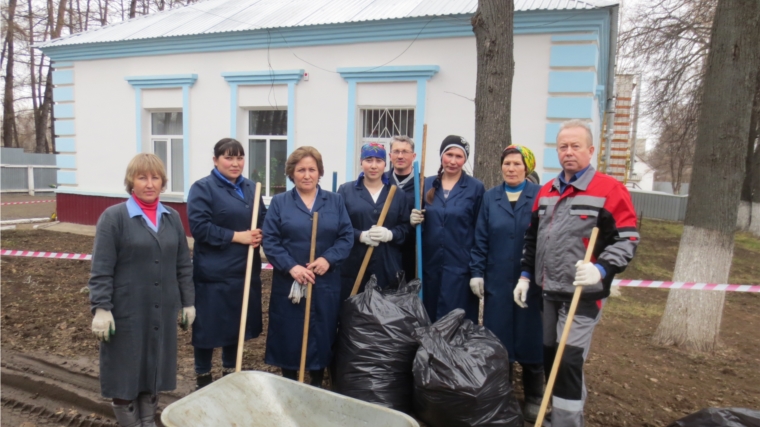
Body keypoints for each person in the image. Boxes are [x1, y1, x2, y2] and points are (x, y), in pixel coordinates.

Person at [518, 120, 639, 427]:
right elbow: (533, 238)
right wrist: (524, 275)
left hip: (583, 296)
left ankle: (566, 423)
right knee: (550, 358)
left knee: (568, 360)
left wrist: (601, 268)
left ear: (590, 150)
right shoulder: (546, 191)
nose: (568, 152)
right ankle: (556, 415)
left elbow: (627, 238)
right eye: (563, 147)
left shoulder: (610, 190)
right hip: (549, 291)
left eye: (575, 146)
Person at [89, 153, 194, 427]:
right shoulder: (114, 218)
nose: (149, 183)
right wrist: (101, 308)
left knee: (153, 371)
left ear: (163, 182)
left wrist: (188, 302)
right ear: (131, 182)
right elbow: (101, 269)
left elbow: (183, 264)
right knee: (124, 377)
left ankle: (148, 423)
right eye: (142, 177)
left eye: (155, 177)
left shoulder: (172, 218)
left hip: (160, 312)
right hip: (126, 313)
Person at [262, 146, 353, 387]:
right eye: (300, 169)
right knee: (289, 332)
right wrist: (291, 267)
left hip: (325, 283)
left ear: (319, 172)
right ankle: (290, 382)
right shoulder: (281, 203)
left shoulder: (334, 201)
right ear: (291, 173)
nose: (306, 175)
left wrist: (328, 259)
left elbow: (346, 237)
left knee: (321, 332)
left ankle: (315, 381)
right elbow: (270, 240)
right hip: (291, 283)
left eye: (312, 169)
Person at [469, 144, 544, 422]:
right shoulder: (491, 198)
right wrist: (477, 271)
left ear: (527, 168)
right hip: (497, 279)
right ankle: (503, 393)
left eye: (517, 164)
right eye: (507, 164)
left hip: (530, 280)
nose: (511, 169)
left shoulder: (539, 195)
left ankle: (535, 394)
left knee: (530, 333)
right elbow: (481, 238)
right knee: (498, 336)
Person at [186, 138, 267, 389]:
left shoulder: (252, 188)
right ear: (215, 160)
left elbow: (262, 218)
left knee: (236, 325)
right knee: (208, 329)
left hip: (244, 271)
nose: (235, 163)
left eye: (239, 158)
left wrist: (261, 233)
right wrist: (237, 236)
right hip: (214, 272)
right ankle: (203, 377)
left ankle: (229, 375)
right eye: (228, 158)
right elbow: (200, 228)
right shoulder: (203, 188)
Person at [410, 135, 485, 322]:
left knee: (456, 321)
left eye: (459, 156)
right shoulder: (424, 184)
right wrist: (413, 221)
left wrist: (477, 272)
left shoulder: (475, 188)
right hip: (429, 268)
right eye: (448, 154)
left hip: (460, 268)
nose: (452, 161)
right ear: (441, 155)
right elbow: (416, 229)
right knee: (428, 318)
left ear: (465, 159)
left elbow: (480, 231)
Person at [338, 142, 410, 300]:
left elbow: (405, 229)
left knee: (383, 319)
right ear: (361, 162)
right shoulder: (346, 191)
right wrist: (360, 236)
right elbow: (339, 228)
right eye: (368, 160)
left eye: (378, 161)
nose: (373, 166)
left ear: (385, 163)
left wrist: (390, 234)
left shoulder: (397, 194)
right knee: (353, 316)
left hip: (387, 267)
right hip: (354, 267)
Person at [384, 136, 418, 281]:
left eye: (405, 152)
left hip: (412, 250)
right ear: (390, 155)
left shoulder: (423, 184)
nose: (400, 156)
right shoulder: (381, 181)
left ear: (413, 156)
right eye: (396, 151)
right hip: (386, 248)